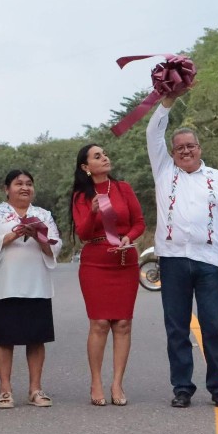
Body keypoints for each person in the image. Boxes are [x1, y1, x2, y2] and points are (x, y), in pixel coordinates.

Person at [145, 95, 218, 409]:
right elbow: (153, 132)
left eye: (191, 146)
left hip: (210, 261)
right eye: (179, 148)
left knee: (216, 325)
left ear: (200, 148)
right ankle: (182, 388)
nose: (185, 151)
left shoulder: (217, 178)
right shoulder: (164, 171)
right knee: (176, 327)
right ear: (171, 152)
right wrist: (167, 101)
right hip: (172, 260)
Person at [0, 170, 62, 409]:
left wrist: (38, 236)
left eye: (29, 184)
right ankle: (5, 389)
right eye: (18, 184)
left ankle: (35, 389)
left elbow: (56, 244)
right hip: (4, 284)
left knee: (36, 339)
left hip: (37, 284)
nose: (25, 188)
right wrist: (13, 234)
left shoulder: (42, 214)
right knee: (4, 339)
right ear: (6, 189)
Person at [70, 144, 146, 406]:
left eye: (104, 154)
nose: (105, 158)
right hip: (95, 263)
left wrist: (128, 237)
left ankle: (117, 383)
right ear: (85, 167)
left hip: (125, 261)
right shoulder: (81, 196)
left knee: (123, 323)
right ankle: (96, 382)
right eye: (97, 156)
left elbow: (139, 223)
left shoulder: (123, 188)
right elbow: (83, 233)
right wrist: (92, 212)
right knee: (100, 323)